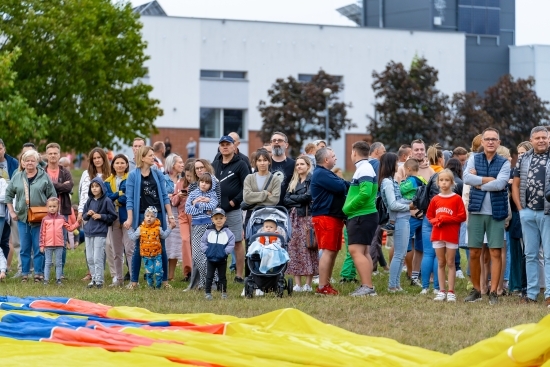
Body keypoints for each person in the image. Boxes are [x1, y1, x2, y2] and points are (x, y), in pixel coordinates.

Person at [464, 127, 510, 305]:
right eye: (487, 139)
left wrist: (480, 182)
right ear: (482, 142)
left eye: (494, 139)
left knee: (495, 252)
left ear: (499, 143)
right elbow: (467, 178)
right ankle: (476, 290)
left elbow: (500, 184)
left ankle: (493, 293)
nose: (491, 142)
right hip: (476, 211)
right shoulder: (473, 158)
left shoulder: (504, 162)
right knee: (474, 252)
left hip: (496, 213)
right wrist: (489, 179)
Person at [124, 146, 176, 289]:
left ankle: (164, 281)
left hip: (158, 214)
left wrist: (170, 216)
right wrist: (130, 219)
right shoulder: (133, 175)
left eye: (154, 155)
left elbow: (165, 196)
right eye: (150, 155)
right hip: (141, 215)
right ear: (142, 158)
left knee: (162, 246)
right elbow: (129, 199)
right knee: (138, 247)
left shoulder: (157, 173)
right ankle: (134, 281)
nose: (153, 157)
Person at [6, 149, 56, 283]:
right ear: (23, 162)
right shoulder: (17, 176)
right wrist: (11, 211)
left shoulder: (44, 176)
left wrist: (50, 211)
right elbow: (8, 195)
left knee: (39, 247)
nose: (29, 163)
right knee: (24, 247)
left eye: (32, 160)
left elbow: (52, 195)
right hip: (22, 218)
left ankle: (39, 273)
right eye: (27, 160)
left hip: (40, 218)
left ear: (37, 162)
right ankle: (25, 273)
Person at [515, 127, 550, 306]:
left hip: (547, 212)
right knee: (530, 255)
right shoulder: (524, 158)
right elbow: (516, 183)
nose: (541, 140)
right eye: (538, 138)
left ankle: (549, 295)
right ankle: (531, 293)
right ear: (531, 139)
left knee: (549, 255)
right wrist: (520, 208)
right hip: (527, 211)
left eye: (544, 137)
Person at [396, 139, 435, 287]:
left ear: (425, 151)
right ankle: (402, 275)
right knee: (404, 246)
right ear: (411, 151)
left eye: (421, 149)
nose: (419, 152)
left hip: (425, 216)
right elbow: (398, 190)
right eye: (416, 149)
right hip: (407, 215)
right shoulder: (404, 169)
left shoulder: (430, 170)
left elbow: (433, 192)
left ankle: (415, 277)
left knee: (422, 247)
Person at [311, 148, 349, 295]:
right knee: (327, 251)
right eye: (333, 156)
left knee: (332, 250)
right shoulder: (321, 173)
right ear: (326, 160)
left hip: (332, 216)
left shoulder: (325, 173)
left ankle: (326, 283)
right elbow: (341, 186)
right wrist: (344, 183)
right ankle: (322, 287)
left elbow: (343, 184)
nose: (336, 159)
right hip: (325, 217)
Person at [342, 141, 379, 297]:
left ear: (354, 153)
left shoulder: (364, 168)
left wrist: (347, 208)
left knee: (355, 250)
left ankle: (367, 287)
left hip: (361, 215)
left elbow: (365, 193)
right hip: (365, 215)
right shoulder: (366, 167)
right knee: (363, 251)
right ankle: (367, 285)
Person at [212, 135, 250, 283]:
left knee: (237, 242)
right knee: (216, 242)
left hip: (233, 210)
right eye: (222, 144)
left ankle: (239, 275)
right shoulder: (214, 164)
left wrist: (234, 202)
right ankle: (217, 276)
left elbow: (246, 187)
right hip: (216, 212)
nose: (225, 146)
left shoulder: (241, 164)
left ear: (234, 146)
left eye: (228, 144)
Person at [426, 169, 467, 302]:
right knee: (441, 262)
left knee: (450, 262)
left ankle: (451, 291)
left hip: (451, 234)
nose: (444, 183)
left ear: (452, 182)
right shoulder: (435, 199)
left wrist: (445, 219)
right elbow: (429, 215)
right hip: (438, 234)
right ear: (438, 183)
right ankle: (441, 290)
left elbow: (462, 216)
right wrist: (435, 221)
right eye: (441, 180)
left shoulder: (456, 198)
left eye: (447, 180)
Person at [379, 153, 413, 293]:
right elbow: (392, 204)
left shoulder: (391, 181)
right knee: (399, 254)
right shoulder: (387, 182)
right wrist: (409, 207)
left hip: (403, 219)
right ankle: (392, 285)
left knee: (402, 253)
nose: (398, 165)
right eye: (396, 162)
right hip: (399, 219)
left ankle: (396, 284)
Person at [284, 155, 318, 292]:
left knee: (309, 248)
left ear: (308, 166)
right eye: (297, 164)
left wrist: (295, 199)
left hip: (307, 217)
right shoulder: (293, 181)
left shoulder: (312, 180)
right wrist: (299, 200)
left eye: (302, 164)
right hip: (294, 218)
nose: (299, 167)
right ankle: (297, 283)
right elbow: (286, 199)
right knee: (295, 249)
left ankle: (308, 284)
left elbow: (308, 197)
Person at [77, 147, 110, 281]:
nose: (97, 160)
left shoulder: (109, 174)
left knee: (104, 245)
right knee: (89, 245)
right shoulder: (86, 174)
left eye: (99, 157)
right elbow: (82, 194)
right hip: (88, 213)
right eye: (94, 158)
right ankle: (91, 273)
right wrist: (80, 212)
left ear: (103, 158)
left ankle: (100, 273)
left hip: (104, 215)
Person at [185, 173, 219, 290]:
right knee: (196, 256)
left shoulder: (213, 195)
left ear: (211, 185)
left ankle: (208, 283)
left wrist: (197, 203)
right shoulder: (193, 193)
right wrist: (204, 205)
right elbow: (187, 209)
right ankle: (213, 279)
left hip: (209, 226)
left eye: (207, 183)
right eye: (202, 182)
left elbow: (213, 206)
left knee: (207, 254)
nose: (204, 184)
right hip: (196, 226)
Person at [45, 143, 74, 277]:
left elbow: (69, 188)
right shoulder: (42, 171)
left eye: (55, 153)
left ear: (59, 154)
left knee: (61, 242)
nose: (53, 156)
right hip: (45, 213)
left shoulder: (65, 172)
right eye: (50, 153)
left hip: (62, 212)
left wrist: (52, 185)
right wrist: (61, 186)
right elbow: (42, 188)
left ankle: (60, 271)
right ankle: (45, 271)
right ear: (46, 155)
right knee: (45, 242)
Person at [82, 177, 117, 288]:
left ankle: (99, 280)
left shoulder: (107, 200)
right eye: (92, 187)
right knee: (90, 258)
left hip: (100, 232)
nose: (94, 189)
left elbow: (113, 216)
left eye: (97, 186)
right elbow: (84, 216)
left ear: (102, 187)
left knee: (98, 257)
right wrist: (88, 214)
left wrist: (101, 216)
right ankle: (93, 278)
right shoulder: (89, 200)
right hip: (88, 232)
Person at [104, 154, 133, 287]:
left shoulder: (131, 179)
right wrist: (120, 194)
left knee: (129, 249)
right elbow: (107, 198)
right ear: (113, 165)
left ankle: (133, 279)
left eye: (123, 163)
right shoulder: (107, 181)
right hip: (113, 217)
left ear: (127, 165)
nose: (120, 165)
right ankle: (118, 278)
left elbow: (128, 198)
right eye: (117, 163)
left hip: (127, 217)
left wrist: (117, 197)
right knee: (116, 250)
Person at [128, 206, 173, 289]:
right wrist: (129, 229)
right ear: (144, 217)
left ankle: (158, 286)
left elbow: (164, 236)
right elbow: (133, 237)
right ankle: (150, 287)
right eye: (147, 216)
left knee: (158, 271)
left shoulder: (158, 229)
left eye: (152, 216)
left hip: (157, 255)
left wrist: (170, 227)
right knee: (149, 272)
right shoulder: (140, 229)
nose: (149, 218)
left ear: (155, 218)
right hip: (146, 256)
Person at [508, 141, 532, 296]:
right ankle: (516, 284)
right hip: (515, 215)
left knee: (528, 252)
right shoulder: (512, 171)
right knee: (515, 252)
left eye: (524, 153)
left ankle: (529, 284)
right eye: (519, 153)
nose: (521, 156)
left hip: (528, 213)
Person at [39, 198, 79, 285]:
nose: (52, 208)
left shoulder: (62, 218)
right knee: (48, 262)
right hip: (48, 245)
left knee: (58, 263)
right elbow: (42, 233)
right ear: (47, 207)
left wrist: (77, 223)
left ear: (58, 207)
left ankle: (58, 279)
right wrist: (42, 245)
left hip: (59, 245)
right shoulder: (45, 219)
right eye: (50, 206)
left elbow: (70, 228)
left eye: (54, 206)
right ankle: (46, 280)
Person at [382, 159, 426, 232]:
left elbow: (402, 190)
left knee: (393, 205)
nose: (405, 173)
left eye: (405, 170)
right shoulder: (421, 178)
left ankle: (391, 223)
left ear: (409, 169)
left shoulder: (412, 180)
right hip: (414, 199)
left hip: (408, 199)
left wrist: (401, 182)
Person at [201, 208, 235, 300]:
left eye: (221, 218)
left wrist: (225, 252)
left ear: (225, 218)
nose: (219, 220)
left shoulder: (228, 233)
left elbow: (231, 243)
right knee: (209, 276)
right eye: (216, 218)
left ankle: (224, 293)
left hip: (222, 259)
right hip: (210, 259)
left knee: (222, 277)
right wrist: (206, 251)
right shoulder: (208, 231)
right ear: (212, 220)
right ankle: (208, 293)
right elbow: (203, 242)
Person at [171, 160, 193, 281]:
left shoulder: (199, 183)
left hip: (195, 215)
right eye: (187, 175)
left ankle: (197, 270)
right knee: (185, 240)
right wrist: (178, 196)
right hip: (183, 214)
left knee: (195, 243)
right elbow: (173, 202)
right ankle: (187, 272)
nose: (189, 178)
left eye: (191, 176)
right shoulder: (180, 183)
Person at [164, 153, 185, 281]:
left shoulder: (183, 180)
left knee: (176, 244)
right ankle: (165, 274)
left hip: (180, 213)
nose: (182, 164)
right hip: (167, 214)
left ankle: (173, 275)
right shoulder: (163, 178)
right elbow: (160, 196)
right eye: (180, 162)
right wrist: (173, 196)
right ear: (172, 164)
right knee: (167, 244)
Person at [0, 138, 18, 269]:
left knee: (6, 239)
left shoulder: (13, 162)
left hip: (13, 203)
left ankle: (5, 267)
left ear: (4, 149)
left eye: (0, 149)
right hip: (1, 206)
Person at [270, 132, 295, 207]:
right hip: (266, 208)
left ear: (286, 145)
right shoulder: (264, 163)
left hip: (287, 209)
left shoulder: (294, 164)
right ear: (271, 144)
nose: (276, 142)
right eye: (274, 140)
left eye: (280, 140)